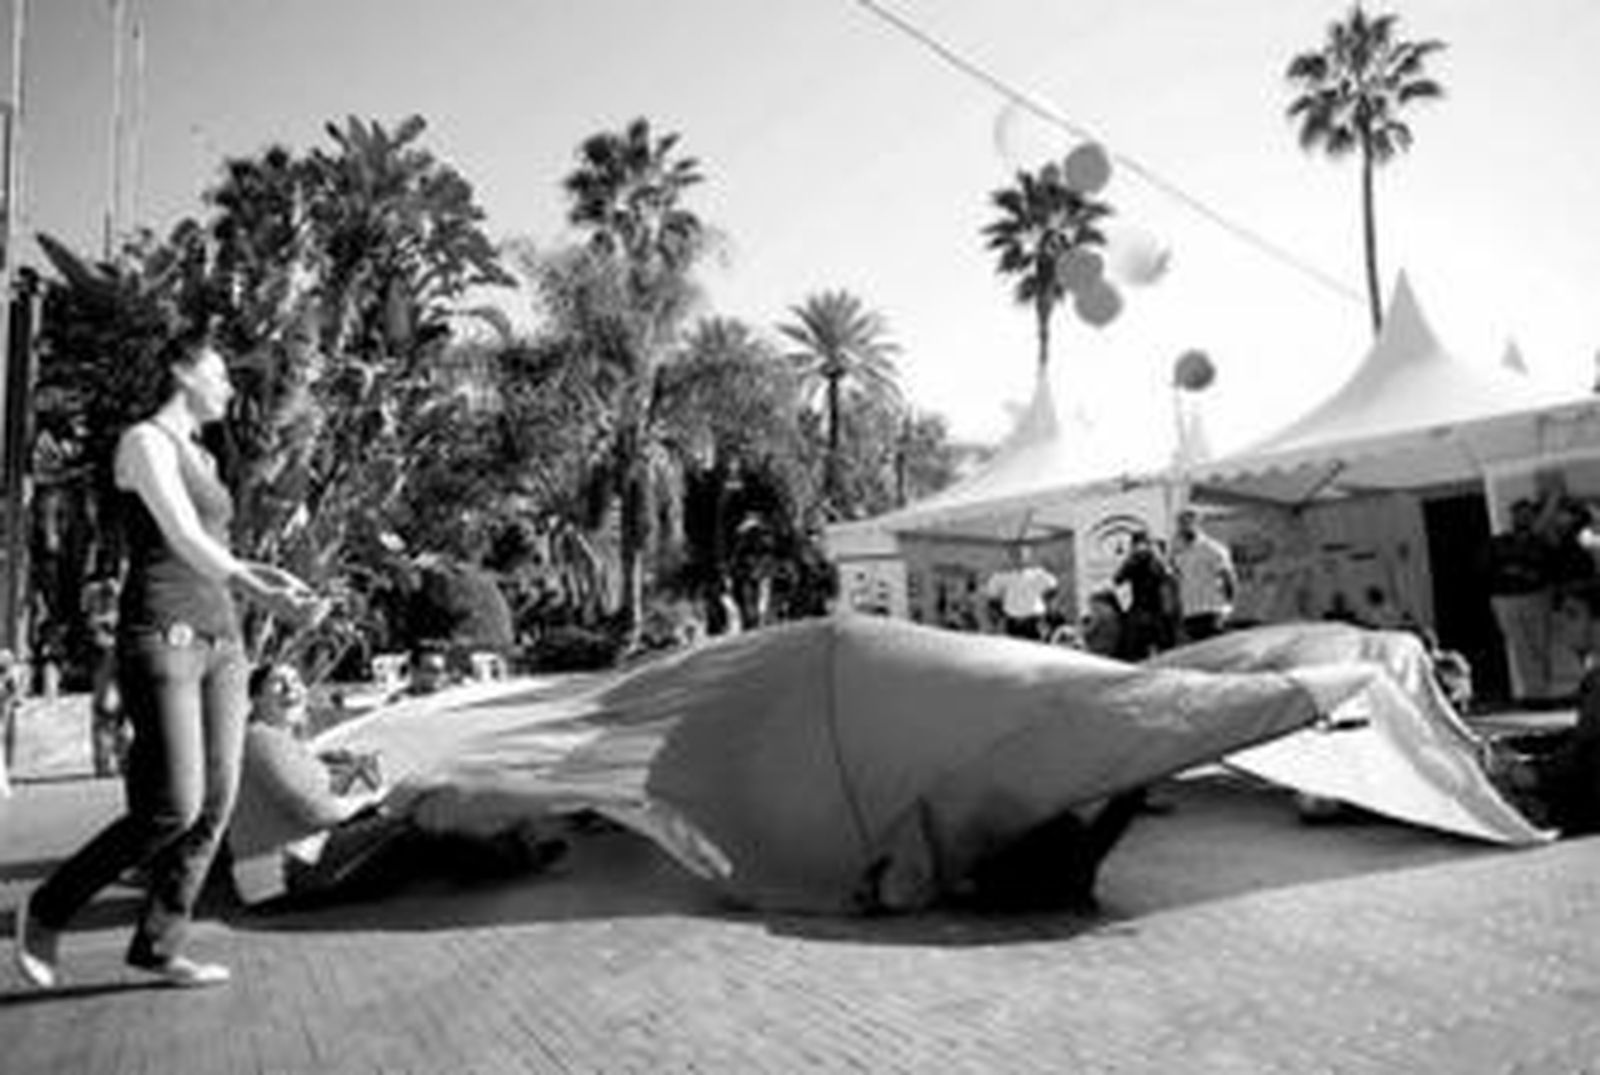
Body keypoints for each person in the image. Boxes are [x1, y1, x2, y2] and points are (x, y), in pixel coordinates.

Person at [14, 337, 322, 991]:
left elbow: (213, 545)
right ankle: (47, 909)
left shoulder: (204, 455)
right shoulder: (144, 443)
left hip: (223, 641)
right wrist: (258, 588)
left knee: (216, 804)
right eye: (219, 375)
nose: (229, 388)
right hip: (165, 633)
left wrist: (273, 580)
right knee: (174, 806)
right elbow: (179, 536)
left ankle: (158, 943)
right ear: (183, 373)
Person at [230, 661, 567, 907]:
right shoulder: (262, 740)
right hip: (286, 875)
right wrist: (382, 801)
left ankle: (511, 850)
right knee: (420, 830)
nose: (291, 689)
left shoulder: (282, 742)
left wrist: (370, 781)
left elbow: (325, 788)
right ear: (254, 699)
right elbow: (318, 812)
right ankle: (512, 856)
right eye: (278, 683)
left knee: (422, 823)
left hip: (293, 866)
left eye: (295, 680)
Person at [1170, 509, 1237, 644]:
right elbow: (1179, 579)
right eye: (1181, 524)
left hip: (1211, 611)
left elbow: (1228, 578)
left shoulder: (1213, 549)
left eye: (1188, 523)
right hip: (1189, 613)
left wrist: (1228, 606)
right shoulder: (1179, 553)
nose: (1184, 528)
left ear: (1197, 524)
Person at [1114, 530, 1177, 657]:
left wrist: (1130, 558)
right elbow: (1169, 577)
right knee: (1163, 649)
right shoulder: (1158, 561)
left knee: (1133, 649)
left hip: (1141, 611)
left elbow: (1118, 579)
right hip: (1158, 612)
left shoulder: (1134, 560)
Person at [983, 544, 1059, 641]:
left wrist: (1048, 607)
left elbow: (1053, 587)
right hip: (1012, 621)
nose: (1017, 559)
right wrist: (999, 615)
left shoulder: (1038, 574)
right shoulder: (1002, 576)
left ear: (1027, 555)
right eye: (1013, 555)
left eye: (1020, 554)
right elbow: (992, 595)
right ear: (1009, 557)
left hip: (1033, 620)